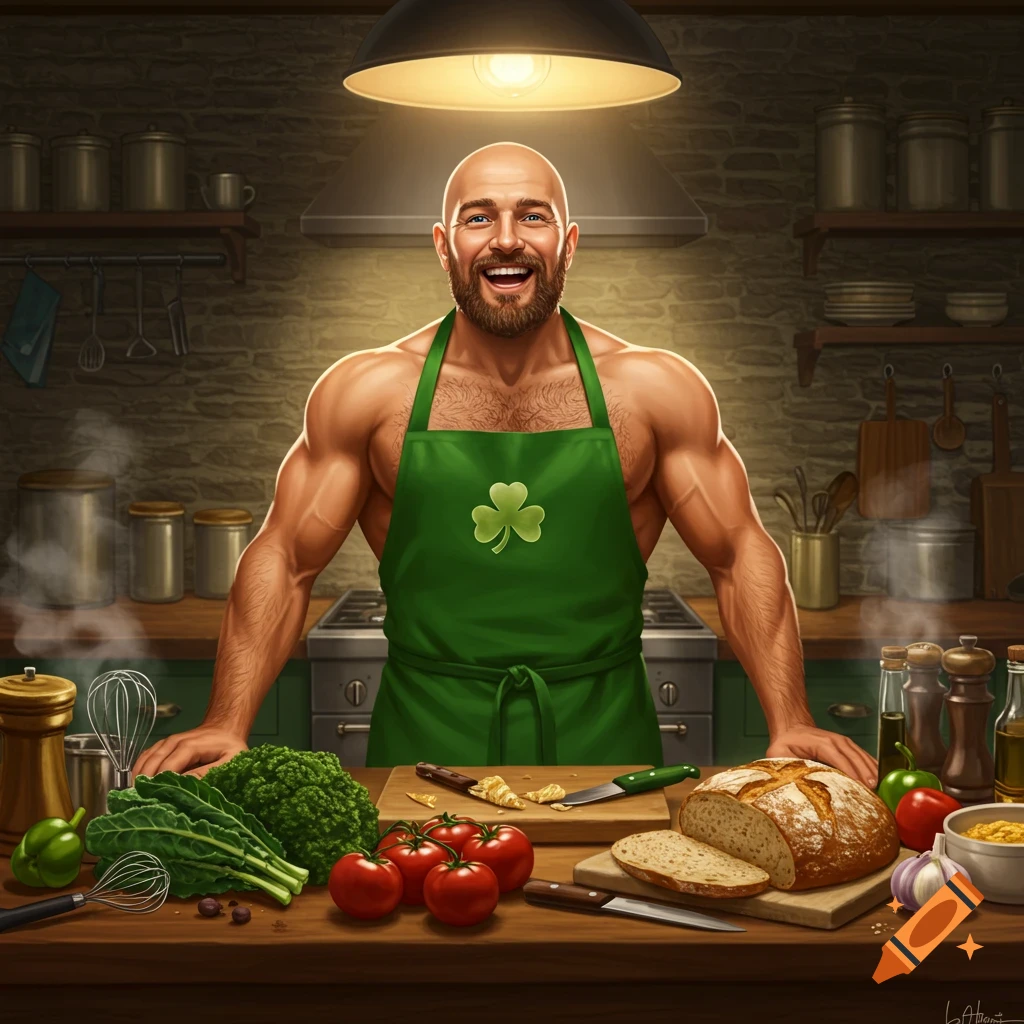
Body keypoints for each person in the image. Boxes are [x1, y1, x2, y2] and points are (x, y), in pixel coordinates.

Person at [134, 142, 877, 787]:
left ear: (569, 243)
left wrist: (790, 719)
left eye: (533, 216)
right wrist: (227, 721)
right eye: (479, 217)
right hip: (422, 756)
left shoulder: (653, 390)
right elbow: (285, 557)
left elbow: (740, 554)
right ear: (443, 245)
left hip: (607, 754)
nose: (507, 239)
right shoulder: (368, 392)